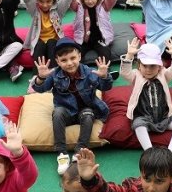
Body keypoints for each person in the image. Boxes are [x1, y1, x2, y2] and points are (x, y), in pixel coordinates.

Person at [32, 38, 113, 174]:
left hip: (86, 110)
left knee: (88, 115)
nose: (69, 63)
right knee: (57, 113)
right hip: (67, 112)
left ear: (79, 56)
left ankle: (80, 150)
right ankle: (61, 154)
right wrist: (40, 77)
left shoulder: (88, 72)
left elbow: (106, 86)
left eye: (73, 58)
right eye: (64, 60)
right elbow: (40, 89)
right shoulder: (55, 74)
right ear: (57, 61)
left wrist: (104, 76)